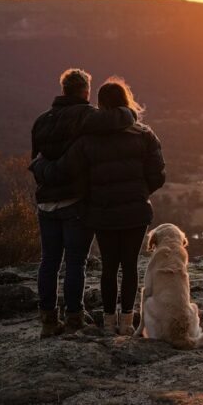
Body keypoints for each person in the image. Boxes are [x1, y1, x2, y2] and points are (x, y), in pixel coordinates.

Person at [31, 77, 165, 336]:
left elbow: (68, 169)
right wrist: (139, 193)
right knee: (126, 266)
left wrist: (39, 166)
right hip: (133, 211)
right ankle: (124, 324)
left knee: (105, 266)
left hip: (100, 211)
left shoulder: (85, 138)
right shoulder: (145, 135)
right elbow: (157, 174)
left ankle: (101, 322)